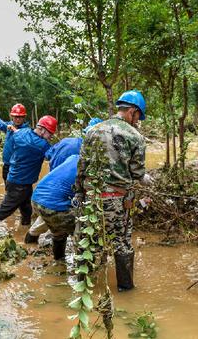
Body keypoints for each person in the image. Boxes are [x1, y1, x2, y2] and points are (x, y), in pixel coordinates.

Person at [74, 90, 146, 292]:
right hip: (117, 200)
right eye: (138, 116)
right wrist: (146, 179)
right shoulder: (135, 136)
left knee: (87, 242)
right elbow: (138, 172)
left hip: (91, 198)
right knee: (121, 243)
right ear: (132, 111)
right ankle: (126, 290)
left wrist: (80, 193)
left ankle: (82, 287)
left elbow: (81, 167)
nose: (138, 121)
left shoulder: (92, 130)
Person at [24, 117, 104, 244]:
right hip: (59, 195)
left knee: (48, 215)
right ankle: (63, 256)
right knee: (74, 227)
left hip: (42, 191)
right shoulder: (89, 161)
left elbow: (48, 155)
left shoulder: (71, 148)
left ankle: (30, 240)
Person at [0, 115, 58, 232]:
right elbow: (52, 155)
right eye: (50, 134)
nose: (51, 137)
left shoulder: (21, 133)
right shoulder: (42, 146)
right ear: (43, 130)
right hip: (20, 184)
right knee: (4, 210)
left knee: (26, 208)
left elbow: (17, 135)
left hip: (15, 179)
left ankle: (24, 227)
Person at [30, 154, 80, 260]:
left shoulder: (73, 157)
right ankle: (61, 262)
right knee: (78, 232)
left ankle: (29, 244)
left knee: (51, 221)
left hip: (36, 198)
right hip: (52, 206)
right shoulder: (88, 168)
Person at [0, 104, 29, 185]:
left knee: (16, 187)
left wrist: (15, 131)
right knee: (7, 183)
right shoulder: (9, 125)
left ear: (24, 117)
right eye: (15, 117)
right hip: (7, 163)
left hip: (17, 166)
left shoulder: (27, 130)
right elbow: (1, 124)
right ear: (12, 116)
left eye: (20, 117)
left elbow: (26, 142)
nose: (17, 119)